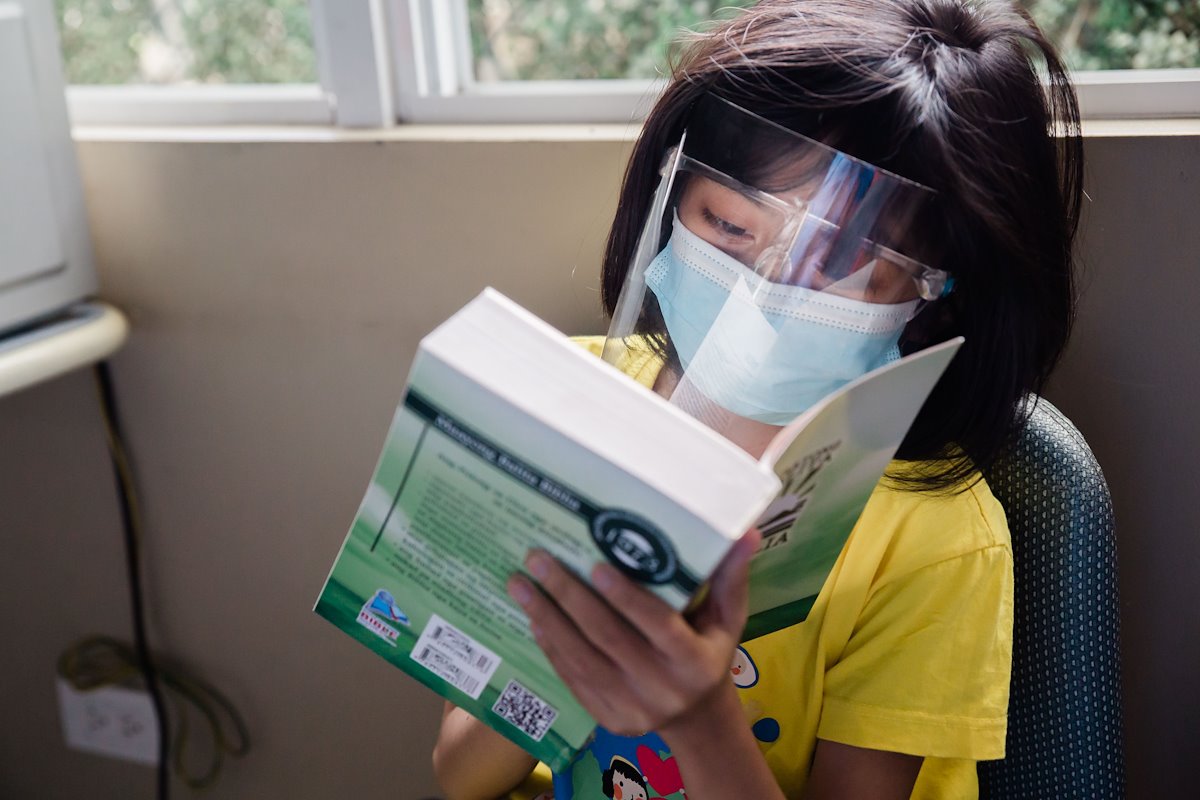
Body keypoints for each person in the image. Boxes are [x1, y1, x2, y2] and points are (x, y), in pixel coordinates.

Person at [433, 0, 1082, 798]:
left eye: (837, 268)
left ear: (934, 295)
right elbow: (460, 775)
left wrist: (700, 713)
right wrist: (577, 645)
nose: (761, 291)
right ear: (670, 195)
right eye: (731, 228)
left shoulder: (932, 540)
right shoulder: (573, 402)